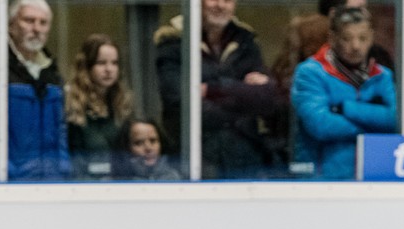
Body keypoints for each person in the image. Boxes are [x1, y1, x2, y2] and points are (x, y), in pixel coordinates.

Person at [154, 0, 283, 179]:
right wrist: (243, 98)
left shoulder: (246, 40)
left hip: (245, 160)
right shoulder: (173, 43)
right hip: (194, 159)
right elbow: (180, 101)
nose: (221, 5)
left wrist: (212, 90)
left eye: (227, 0)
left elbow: (267, 98)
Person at [0, 0, 68, 181]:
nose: (37, 28)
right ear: (10, 26)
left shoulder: (53, 74)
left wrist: (63, 170)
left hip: (51, 181)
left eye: (43, 23)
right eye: (29, 20)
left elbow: (61, 131)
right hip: (7, 181)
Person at [291, 5, 396, 180]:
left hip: (374, 174)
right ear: (333, 38)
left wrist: (346, 108)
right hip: (321, 178)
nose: (356, 46)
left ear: (371, 37)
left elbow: (394, 119)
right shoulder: (310, 72)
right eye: (347, 38)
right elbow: (320, 124)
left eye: (362, 38)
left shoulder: (382, 75)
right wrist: (373, 127)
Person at [65, 33, 133, 181]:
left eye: (114, 63)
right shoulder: (72, 106)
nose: (109, 69)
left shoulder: (121, 105)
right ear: (86, 66)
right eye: (101, 63)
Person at [112, 116, 182, 180]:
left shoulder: (173, 179)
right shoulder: (115, 182)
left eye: (153, 141)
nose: (148, 148)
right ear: (126, 148)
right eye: (139, 143)